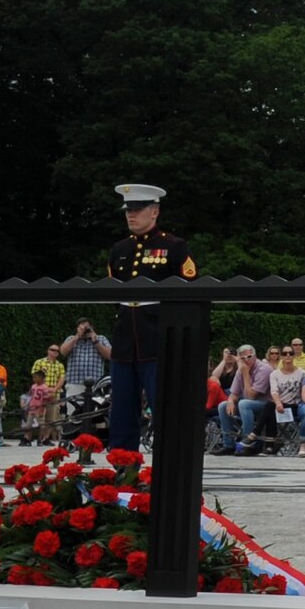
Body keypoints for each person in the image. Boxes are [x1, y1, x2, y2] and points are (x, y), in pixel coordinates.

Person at [103, 183, 199, 451]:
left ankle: (170, 469)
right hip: (124, 341)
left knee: (165, 409)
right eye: (127, 210)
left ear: (154, 211)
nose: (130, 215)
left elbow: (189, 292)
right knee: (121, 410)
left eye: (137, 209)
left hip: (159, 340)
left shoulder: (175, 246)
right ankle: (123, 469)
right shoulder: (119, 249)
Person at [216, 344, 271, 455]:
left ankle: (248, 443)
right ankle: (228, 445)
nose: (247, 360)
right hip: (247, 404)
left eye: (249, 356)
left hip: (266, 406)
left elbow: (252, 396)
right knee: (223, 405)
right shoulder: (241, 369)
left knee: (244, 403)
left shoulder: (264, 369)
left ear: (255, 356)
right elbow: (234, 393)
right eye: (243, 358)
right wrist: (231, 401)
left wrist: (245, 373)